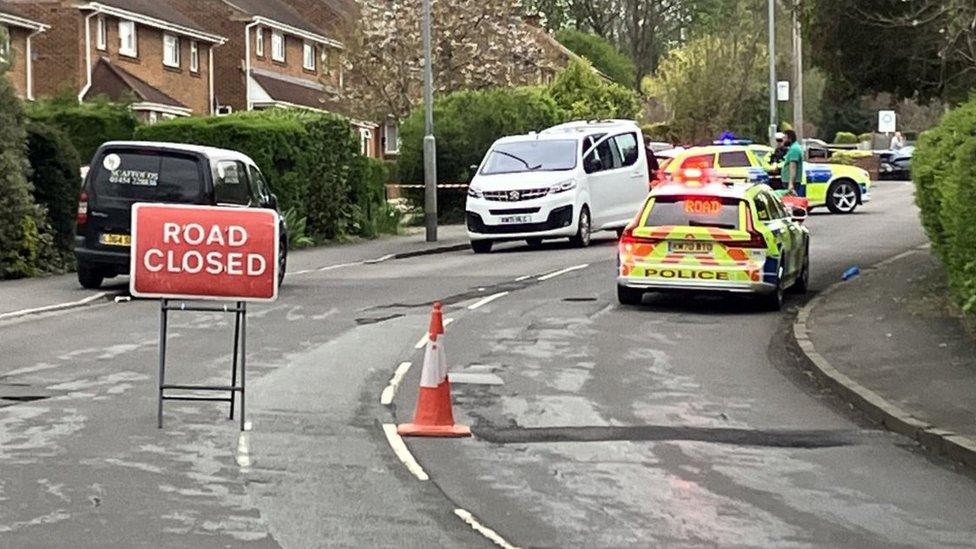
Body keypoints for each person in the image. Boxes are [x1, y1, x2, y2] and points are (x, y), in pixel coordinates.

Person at [782, 129, 805, 196]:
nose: (783, 140)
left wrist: (791, 183)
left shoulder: (794, 149)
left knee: (791, 202)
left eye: (785, 138)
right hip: (789, 181)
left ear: (790, 139)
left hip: (791, 182)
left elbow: (793, 167)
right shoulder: (793, 147)